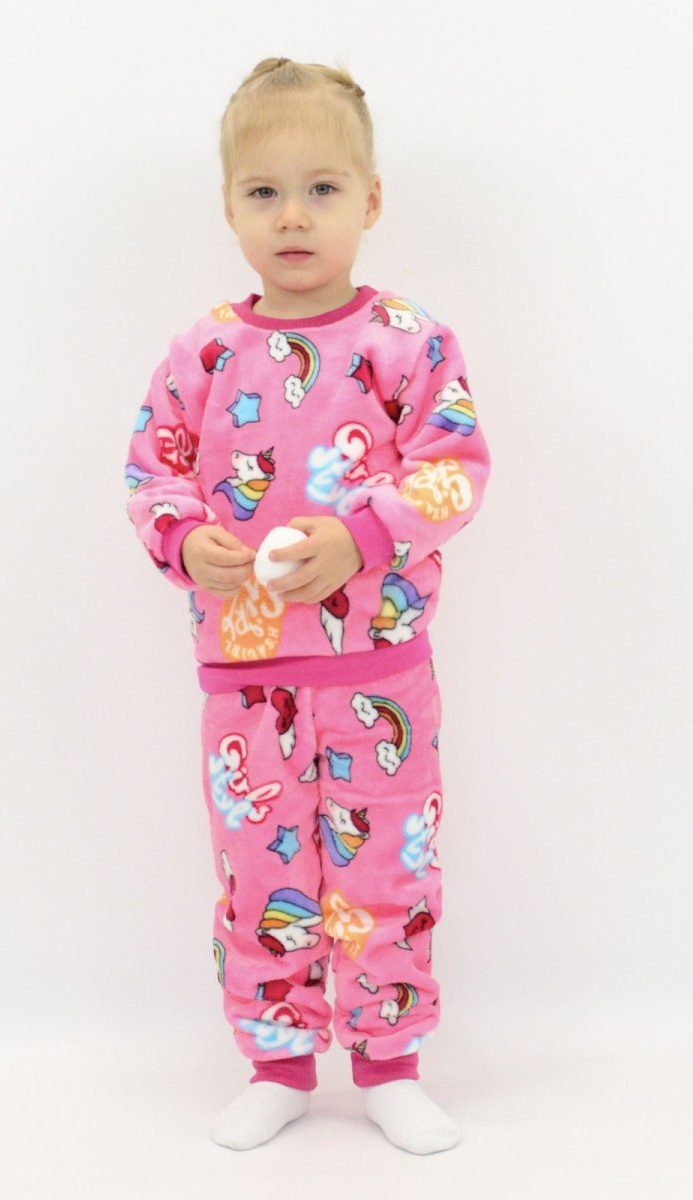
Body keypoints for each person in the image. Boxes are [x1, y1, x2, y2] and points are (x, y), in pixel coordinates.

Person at [123, 56, 491, 1154]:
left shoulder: (410, 343)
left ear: (370, 201)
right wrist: (187, 540)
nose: (293, 215)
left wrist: (361, 536)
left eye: (322, 188)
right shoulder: (202, 351)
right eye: (265, 191)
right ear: (229, 205)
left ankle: (390, 1063)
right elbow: (152, 472)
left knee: (387, 876)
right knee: (260, 880)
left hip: (379, 674)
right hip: (247, 683)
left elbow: (454, 469)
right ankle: (278, 1064)